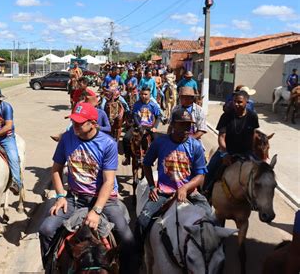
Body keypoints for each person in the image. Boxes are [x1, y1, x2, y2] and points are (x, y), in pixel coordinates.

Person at [38, 102, 137, 273]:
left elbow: (108, 181)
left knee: (128, 240)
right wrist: (61, 196)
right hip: (74, 198)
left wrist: (96, 210)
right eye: (74, 121)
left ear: (93, 123)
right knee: (45, 229)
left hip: (104, 200)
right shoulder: (67, 138)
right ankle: (50, 267)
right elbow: (56, 169)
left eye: (80, 122)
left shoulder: (108, 144)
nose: (75, 125)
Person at [137, 109, 211, 245]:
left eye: (188, 125)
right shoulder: (160, 142)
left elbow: (200, 175)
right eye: (182, 124)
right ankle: (139, 255)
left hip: (189, 193)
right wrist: (152, 186)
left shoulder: (195, 146)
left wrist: (185, 188)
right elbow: (146, 164)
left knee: (211, 219)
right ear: (173, 124)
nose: (186, 128)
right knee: (142, 221)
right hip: (164, 193)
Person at [202, 90, 259, 197]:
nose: (236, 104)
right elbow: (221, 137)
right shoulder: (226, 116)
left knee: (262, 173)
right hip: (228, 151)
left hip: (246, 152)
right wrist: (225, 153)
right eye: (234, 101)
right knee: (210, 169)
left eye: (240, 102)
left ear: (246, 102)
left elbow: (253, 135)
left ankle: (259, 201)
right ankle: (205, 193)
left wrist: (253, 152)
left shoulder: (252, 117)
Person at [122, 87, 162, 166]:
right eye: (142, 94)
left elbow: (158, 117)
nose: (143, 96)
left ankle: (154, 158)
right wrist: (139, 125)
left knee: (157, 140)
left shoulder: (154, 105)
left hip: (149, 126)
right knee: (126, 138)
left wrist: (155, 127)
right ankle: (127, 157)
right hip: (138, 125)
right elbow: (135, 116)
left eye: (145, 94)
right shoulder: (137, 104)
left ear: (149, 95)